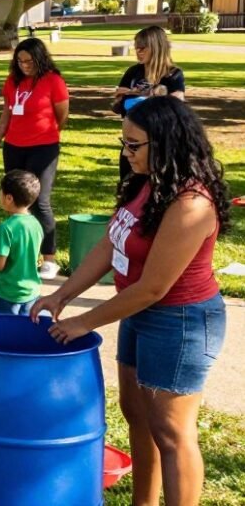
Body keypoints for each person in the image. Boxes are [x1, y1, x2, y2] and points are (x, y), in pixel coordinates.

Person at [32, 96, 228, 506]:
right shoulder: (147, 182)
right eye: (124, 143)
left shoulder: (191, 203)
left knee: (172, 432)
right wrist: (61, 294)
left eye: (134, 145)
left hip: (181, 321)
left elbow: (154, 286)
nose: (126, 153)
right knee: (137, 417)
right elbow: (109, 243)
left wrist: (84, 321)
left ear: (166, 143)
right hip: (139, 313)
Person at [0, 37, 69, 281]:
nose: (24, 65)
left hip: (43, 148)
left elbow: (62, 116)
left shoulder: (53, 81)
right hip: (14, 146)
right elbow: (6, 116)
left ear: (40, 59)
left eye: (29, 61)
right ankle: (17, 251)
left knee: (39, 200)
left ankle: (49, 258)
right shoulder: (12, 82)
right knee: (14, 200)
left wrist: (46, 134)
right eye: (19, 61)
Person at [114, 26, 185, 179]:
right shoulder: (133, 72)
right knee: (128, 190)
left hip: (159, 145)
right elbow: (119, 102)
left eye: (143, 48)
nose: (138, 52)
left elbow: (175, 107)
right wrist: (153, 95)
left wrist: (135, 94)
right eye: (136, 48)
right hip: (132, 143)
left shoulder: (173, 75)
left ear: (156, 47)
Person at [0, 170, 44, 315]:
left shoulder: (6, 228)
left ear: (8, 198)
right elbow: (37, 258)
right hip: (31, 292)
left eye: (1, 192)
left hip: (8, 293)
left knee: (4, 334)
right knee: (24, 333)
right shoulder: (36, 224)